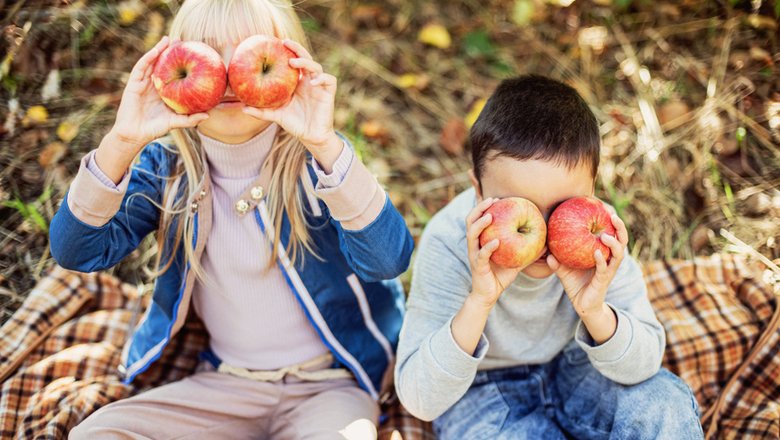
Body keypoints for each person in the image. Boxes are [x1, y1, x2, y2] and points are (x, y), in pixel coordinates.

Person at [50, 1, 413, 438]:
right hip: (226, 383)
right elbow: (75, 250)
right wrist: (122, 141)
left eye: (247, 53)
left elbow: (389, 259)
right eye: (206, 55)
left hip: (330, 387)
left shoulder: (318, 163)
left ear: (290, 65)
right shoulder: (168, 168)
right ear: (174, 66)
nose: (225, 74)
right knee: (96, 434)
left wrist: (324, 144)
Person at [394, 75, 703, 439]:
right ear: (477, 190)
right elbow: (419, 399)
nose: (542, 230)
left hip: (577, 363)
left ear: (592, 190)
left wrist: (595, 311)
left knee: (663, 406)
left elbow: (645, 364)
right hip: (481, 390)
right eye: (520, 207)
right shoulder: (451, 242)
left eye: (562, 207)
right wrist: (480, 301)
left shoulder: (597, 233)